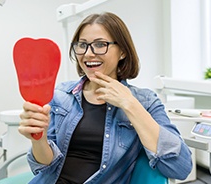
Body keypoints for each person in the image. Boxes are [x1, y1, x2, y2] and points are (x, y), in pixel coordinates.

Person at [18, 12, 192, 183]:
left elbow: (181, 167)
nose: (88, 54)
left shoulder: (145, 101)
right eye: (82, 45)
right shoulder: (61, 95)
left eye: (100, 44)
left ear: (122, 51)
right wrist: (39, 139)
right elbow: (45, 166)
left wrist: (129, 104)